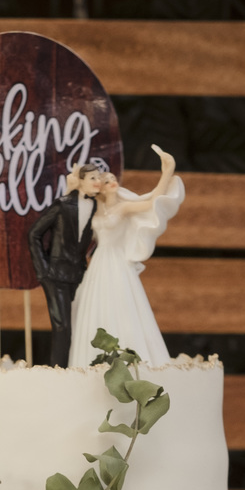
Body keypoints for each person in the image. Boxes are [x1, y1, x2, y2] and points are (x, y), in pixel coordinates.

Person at [66, 145, 183, 367]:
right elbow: (71, 210)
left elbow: (152, 201)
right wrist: (72, 186)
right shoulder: (93, 208)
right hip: (99, 264)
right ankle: (92, 362)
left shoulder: (124, 208)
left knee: (123, 308)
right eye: (107, 180)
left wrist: (167, 172)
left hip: (117, 264)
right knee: (95, 308)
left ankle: (129, 360)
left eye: (112, 179)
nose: (113, 182)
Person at [26, 160, 110, 366]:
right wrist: (43, 270)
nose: (97, 181)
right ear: (80, 181)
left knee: (80, 325)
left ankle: (76, 368)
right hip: (55, 275)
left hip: (80, 275)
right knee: (62, 326)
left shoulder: (97, 207)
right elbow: (34, 234)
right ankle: (59, 372)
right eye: (92, 178)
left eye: (99, 177)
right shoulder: (63, 204)